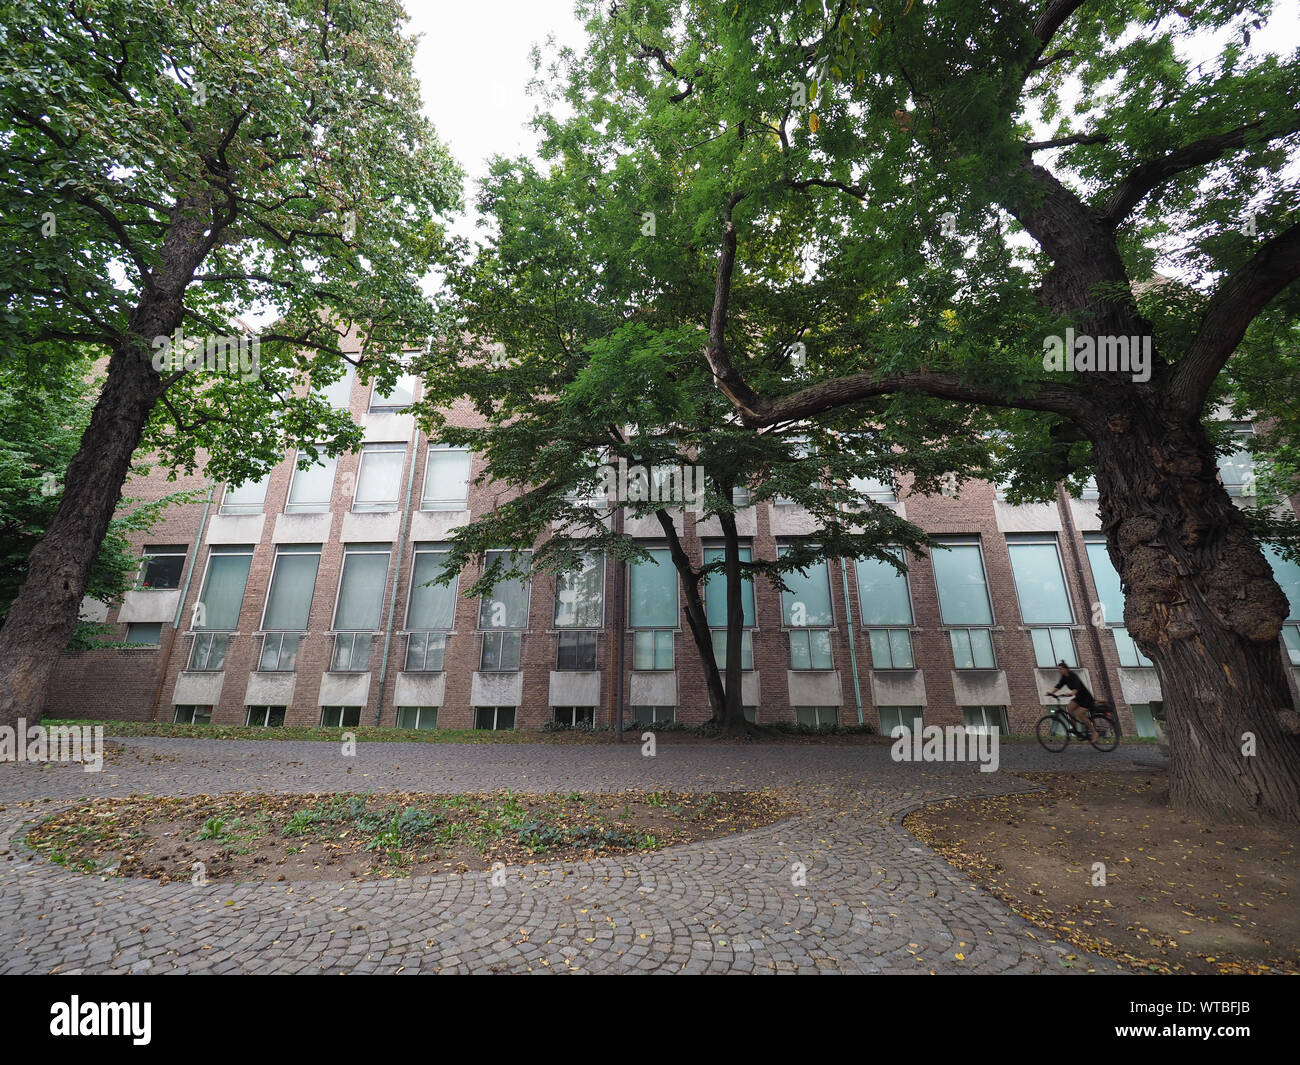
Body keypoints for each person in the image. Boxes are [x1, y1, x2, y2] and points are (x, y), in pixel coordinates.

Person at [1046, 661, 1097, 740]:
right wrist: (1051, 693)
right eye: (1058, 669)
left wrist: (1071, 693)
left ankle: (1094, 733)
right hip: (1079, 698)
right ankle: (1074, 727)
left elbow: (1077, 687)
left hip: (1086, 698)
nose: (1059, 671)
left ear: (1065, 669)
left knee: (1080, 714)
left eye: (1060, 669)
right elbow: (1059, 686)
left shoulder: (1073, 676)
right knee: (1069, 707)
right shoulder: (1064, 677)